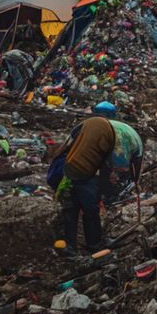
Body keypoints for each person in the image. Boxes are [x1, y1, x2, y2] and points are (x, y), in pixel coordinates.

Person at [53, 103, 143, 255]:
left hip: (72, 170)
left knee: (70, 207)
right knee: (91, 210)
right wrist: (134, 182)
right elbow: (132, 161)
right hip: (97, 175)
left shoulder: (85, 125)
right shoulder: (127, 131)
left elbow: (65, 147)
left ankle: (70, 246)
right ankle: (93, 245)